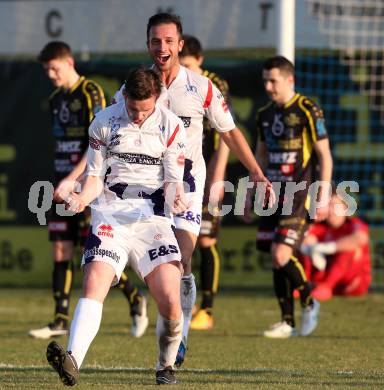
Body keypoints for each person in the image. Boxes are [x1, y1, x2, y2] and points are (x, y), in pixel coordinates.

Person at [124, 13, 274, 366]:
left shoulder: (202, 87)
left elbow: (230, 132)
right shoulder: (137, 86)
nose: (162, 47)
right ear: (148, 44)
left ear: (180, 43)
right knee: (147, 265)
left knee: (182, 261)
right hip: (146, 188)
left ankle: (179, 340)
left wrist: (256, 172)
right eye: (155, 41)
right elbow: (109, 128)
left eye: (168, 41)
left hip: (187, 188)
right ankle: (148, 307)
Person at [46, 68, 187, 385]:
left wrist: (176, 197)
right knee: (95, 280)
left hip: (153, 220)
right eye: (134, 109)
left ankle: (165, 367)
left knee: (169, 298)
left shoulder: (171, 126)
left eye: (146, 109)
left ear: (157, 100)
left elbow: (172, 182)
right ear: (124, 97)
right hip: (110, 215)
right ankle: (72, 361)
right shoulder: (104, 121)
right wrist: (82, 199)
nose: (138, 116)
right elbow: (94, 177)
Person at [29, 41, 148, 340]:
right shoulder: (57, 99)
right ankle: (59, 318)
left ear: (69, 62)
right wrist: (62, 178)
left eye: (54, 68)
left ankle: (135, 298)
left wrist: (75, 178)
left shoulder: (90, 92)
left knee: (94, 252)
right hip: (63, 180)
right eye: (47, 71)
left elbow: (97, 143)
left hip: (87, 182)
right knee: (60, 246)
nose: (52, 75)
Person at [245, 55, 333, 338]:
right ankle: (287, 321)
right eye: (265, 81)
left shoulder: (308, 109)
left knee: (281, 254)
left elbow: (324, 156)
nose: (269, 86)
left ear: (289, 80)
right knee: (275, 258)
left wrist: (322, 195)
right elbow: (259, 156)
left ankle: (310, 299)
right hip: (273, 194)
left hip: (300, 193)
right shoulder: (264, 114)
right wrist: (249, 195)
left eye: (274, 81)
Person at [179, 34, 230, 330]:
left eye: (188, 64)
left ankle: (207, 310)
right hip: (181, 176)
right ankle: (185, 302)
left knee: (207, 239)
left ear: (199, 60)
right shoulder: (174, 82)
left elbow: (226, 133)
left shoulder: (213, 85)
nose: (184, 69)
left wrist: (218, 177)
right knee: (182, 243)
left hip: (207, 173)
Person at [300, 190, 371, 300]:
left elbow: (360, 238)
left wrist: (325, 248)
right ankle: (304, 286)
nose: (331, 210)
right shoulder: (322, 228)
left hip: (352, 284)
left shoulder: (353, 224)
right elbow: (303, 238)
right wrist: (310, 247)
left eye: (335, 206)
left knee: (349, 248)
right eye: (328, 206)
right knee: (304, 246)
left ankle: (326, 286)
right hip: (324, 282)